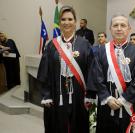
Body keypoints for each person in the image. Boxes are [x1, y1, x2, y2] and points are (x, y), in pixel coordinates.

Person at [37, 5, 94, 133]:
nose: (66, 22)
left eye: (70, 19)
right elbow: (44, 72)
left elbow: (91, 72)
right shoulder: (51, 45)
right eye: (63, 19)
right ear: (59, 22)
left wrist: (89, 95)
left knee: (78, 126)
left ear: (75, 22)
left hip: (79, 96)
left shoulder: (85, 45)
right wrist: (47, 95)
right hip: (57, 95)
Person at [90, 14, 135, 133]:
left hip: (129, 105)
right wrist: (107, 98)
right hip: (106, 105)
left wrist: (123, 99)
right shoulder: (101, 51)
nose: (119, 28)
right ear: (110, 29)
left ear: (129, 29)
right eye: (115, 25)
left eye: (123, 25)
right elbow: (97, 76)